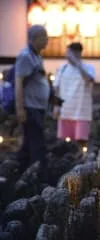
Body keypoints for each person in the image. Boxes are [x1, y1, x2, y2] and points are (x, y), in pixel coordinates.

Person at [15, 25, 50, 180]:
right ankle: (39, 176)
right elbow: (19, 83)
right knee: (37, 143)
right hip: (30, 107)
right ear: (35, 38)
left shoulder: (36, 56)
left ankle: (18, 172)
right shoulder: (25, 56)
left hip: (37, 106)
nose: (47, 39)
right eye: (44, 36)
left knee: (29, 143)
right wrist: (20, 108)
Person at [53, 42, 95, 147]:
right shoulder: (62, 68)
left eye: (70, 53)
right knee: (64, 144)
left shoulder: (88, 68)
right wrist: (56, 106)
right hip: (65, 112)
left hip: (82, 113)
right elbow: (56, 89)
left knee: (81, 143)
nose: (67, 56)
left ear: (78, 53)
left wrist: (77, 64)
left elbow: (88, 80)